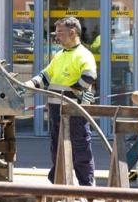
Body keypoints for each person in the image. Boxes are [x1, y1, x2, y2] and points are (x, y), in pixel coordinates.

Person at [29, 15, 97, 186]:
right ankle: (59, 183)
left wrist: (74, 92)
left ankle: (86, 188)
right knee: (57, 148)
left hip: (74, 110)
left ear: (72, 32)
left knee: (79, 148)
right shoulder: (59, 55)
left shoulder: (83, 54)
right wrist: (29, 84)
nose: (56, 36)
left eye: (60, 33)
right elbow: (46, 75)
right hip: (56, 109)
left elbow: (89, 76)